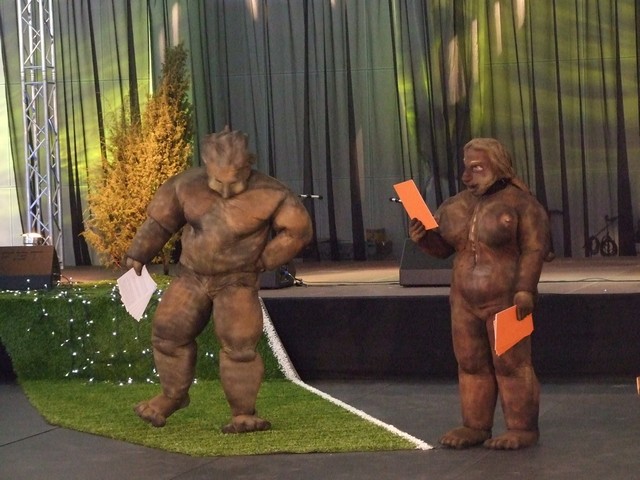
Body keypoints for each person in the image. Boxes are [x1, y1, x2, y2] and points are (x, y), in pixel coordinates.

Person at [125, 126, 313, 433]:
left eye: (235, 183)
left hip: (237, 281)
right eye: (217, 182)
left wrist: (265, 259)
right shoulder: (185, 185)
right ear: (206, 165)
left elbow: (298, 232)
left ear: (248, 166)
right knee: (167, 333)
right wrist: (138, 253)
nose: (225, 191)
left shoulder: (273, 194)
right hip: (191, 276)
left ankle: (243, 413)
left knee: (240, 347)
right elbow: (159, 223)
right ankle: (172, 396)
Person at [409, 138, 552, 450]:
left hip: (507, 299)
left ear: (498, 166)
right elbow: (443, 249)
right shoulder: (455, 206)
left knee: (512, 364)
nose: (466, 176)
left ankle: (522, 428)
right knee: (470, 363)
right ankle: (474, 425)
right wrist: (423, 239)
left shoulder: (522, 204)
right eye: (465, 168)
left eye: (476, 168)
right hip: (463, 301)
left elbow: (534, 249)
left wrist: (526, 289)